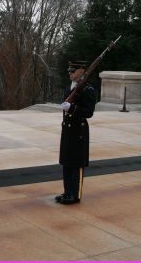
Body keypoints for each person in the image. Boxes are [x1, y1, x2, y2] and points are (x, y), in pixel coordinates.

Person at [56, 60, 96, 205]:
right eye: (69, 71)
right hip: (68, 129)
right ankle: (67, 192)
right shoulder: (70, 88)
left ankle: (75, 194)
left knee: (77, 164)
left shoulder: (87, 90)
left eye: (73, 71)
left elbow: (89, 112)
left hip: (79, 130)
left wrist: (72, 109)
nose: (70, 73)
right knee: (67, 162)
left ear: (82, 71)